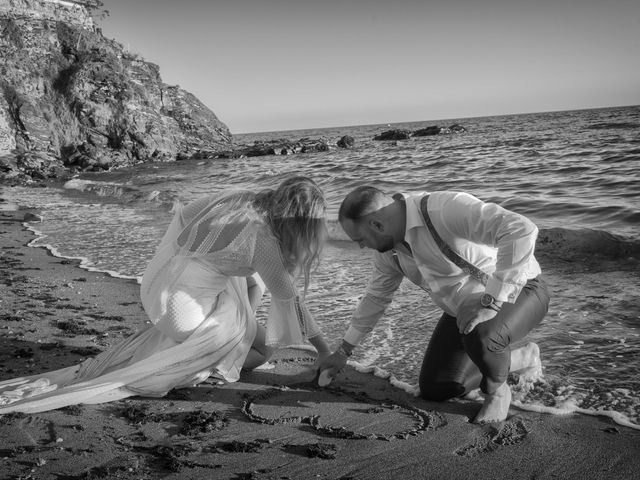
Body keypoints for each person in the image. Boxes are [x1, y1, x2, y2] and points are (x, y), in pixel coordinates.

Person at [0, 176, 331, 413]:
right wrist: (327, 353)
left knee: (246, 295)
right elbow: (293, 305)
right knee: (260, 348)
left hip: (157, 280)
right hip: (180, 311)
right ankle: (210, 360)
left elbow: (183, 216)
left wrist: (184, 263)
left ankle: (216, 342)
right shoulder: (266, 244)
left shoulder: (242, 199)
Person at [319, 185, 550, 423]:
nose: (361, 246)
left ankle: (497, 392)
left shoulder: (444, 209)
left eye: (360, 239)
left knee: (483, 335)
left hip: (523, 291)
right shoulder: (388, 252)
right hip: (463, 311)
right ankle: (523, 358)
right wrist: (343, 352)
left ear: (377, 225)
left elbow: (521, 229)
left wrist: (490, 300)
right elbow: (376, 297)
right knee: (436, 388)